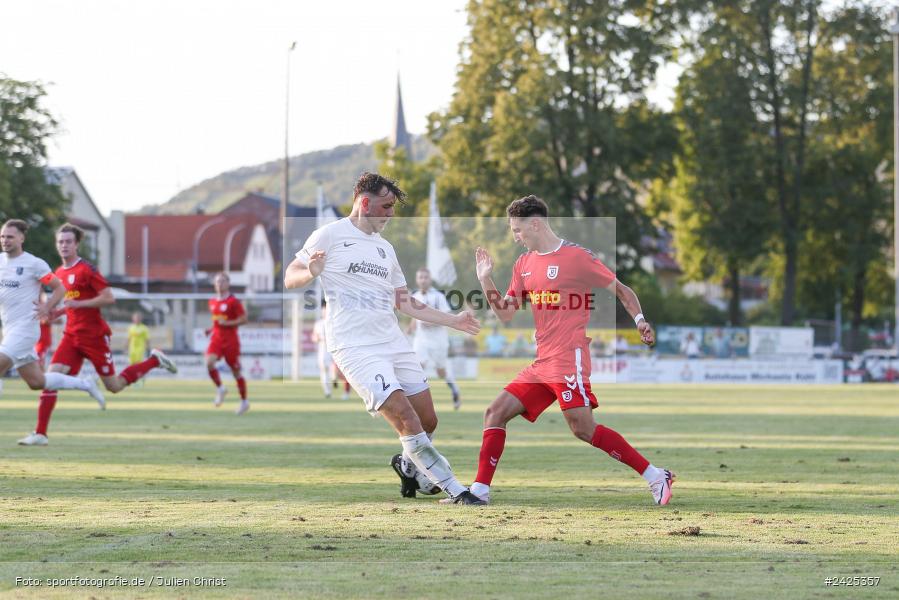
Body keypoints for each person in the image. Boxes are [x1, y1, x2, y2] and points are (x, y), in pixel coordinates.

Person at [284, 172, 484, 505]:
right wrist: (311, 272)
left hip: (393, 342)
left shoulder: (385, 249)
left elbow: (404, 301)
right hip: (355, 347)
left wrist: (453, 320)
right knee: (405, 417)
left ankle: (408, 465)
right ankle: (456, 490)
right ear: (365, 203)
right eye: (386, 206)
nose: (391, 213)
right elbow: (291, 277)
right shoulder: (329, 235)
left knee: (428, 419)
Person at [462, 195, 675, 506]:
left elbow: (622, 290)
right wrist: (485, 280)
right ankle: (480, 490)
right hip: (542, 362)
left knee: (583, 429)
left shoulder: (576, 257)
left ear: (535, 224)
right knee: (494, 412)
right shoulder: (523, 265)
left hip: (567, 357)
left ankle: (656, 476)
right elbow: (506, 313)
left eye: (517, 230)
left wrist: (639, 320)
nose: (515, 237)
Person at [18, 223, 177, 446]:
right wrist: (58, 312)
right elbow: (72, 303)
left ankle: (153, 360)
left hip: (94, 336)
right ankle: (41, 433)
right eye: (60, 242)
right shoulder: (60, 272)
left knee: (114, 386)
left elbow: (108, 297)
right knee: (49, 379)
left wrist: (79, 303)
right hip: (71, 336)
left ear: (76, 244)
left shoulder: (87, 270)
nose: (64, 245)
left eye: (68, 242)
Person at [0, 220, 105, 407]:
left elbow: (59, 288)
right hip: (9, 329)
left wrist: (47, 306)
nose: (5, 240)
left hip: (25, 330)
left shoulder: (33, 264)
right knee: (36, 382)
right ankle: (85, 384)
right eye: (2, 236)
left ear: (21, 238)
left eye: (10, 236)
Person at [407, 267, 462, 410]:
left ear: (430, 279)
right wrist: (410, 328)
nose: (423, 280)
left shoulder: (438, 296)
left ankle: (455, 390)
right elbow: (415, 317)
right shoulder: (415, 297)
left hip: (438, 341)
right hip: (421, 340)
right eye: (420, 277)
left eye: (425, 277)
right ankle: (417, 401)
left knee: (441, 371)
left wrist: (430, 322)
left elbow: (447, 317)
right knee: (418, 367)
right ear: (417, 280)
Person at [205, 272, 250, 415]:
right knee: (209, 362)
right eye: (217, 282)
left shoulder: (233, 302)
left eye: (222, 281)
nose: (219, 284)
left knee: (236, 371)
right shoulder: (212, 302)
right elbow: (217, 321)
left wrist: (228, 323)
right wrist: (211, 329)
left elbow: (243, 319)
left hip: (231, 340)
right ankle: (220, 389)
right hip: (217, 339)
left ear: (228, 284)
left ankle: (244, 401)